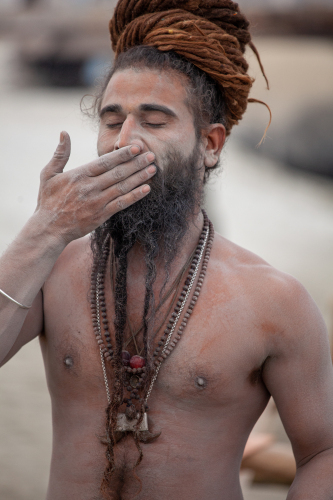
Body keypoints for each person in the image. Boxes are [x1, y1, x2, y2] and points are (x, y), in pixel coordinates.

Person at [1, 1, 333, 499]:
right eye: (112, 121)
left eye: (154, 122)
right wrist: (44, 231)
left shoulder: (275, 302)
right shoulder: (51, 268)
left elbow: (321, 453)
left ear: (211, 144)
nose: (124, 141)